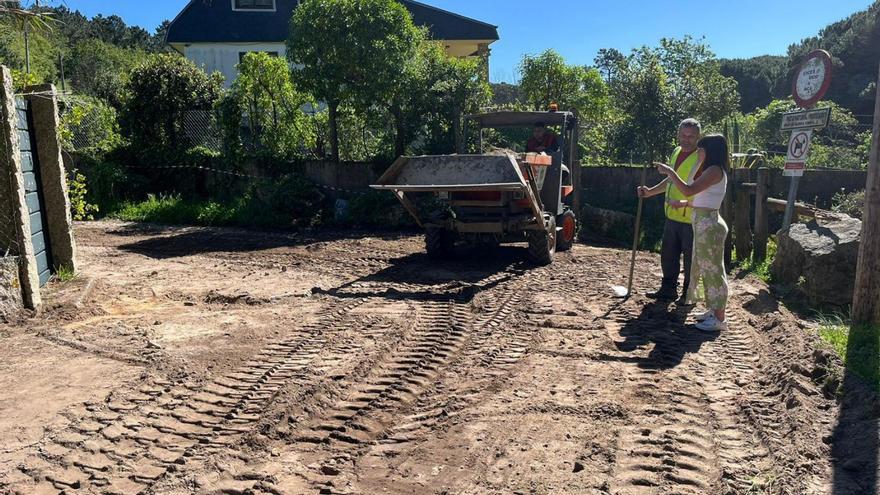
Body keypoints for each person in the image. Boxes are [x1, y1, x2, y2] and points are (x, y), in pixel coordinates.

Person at [655, 134, 730, 332]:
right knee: (705, 269)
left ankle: (719, 318)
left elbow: (688, 189)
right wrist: (684, 203)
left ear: (710, 151)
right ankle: (713, 311)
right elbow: (703, 197)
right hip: (703, 223)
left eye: (701, 149)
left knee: (713, 271)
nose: (698, 152)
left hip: (709, 226)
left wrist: (671, 172)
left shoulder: (714, 170)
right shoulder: (709, 169)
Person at [637, 118, 702, 302]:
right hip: (672, 215)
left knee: (690, 258)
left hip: (691, 216)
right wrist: (650, 192)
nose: (686, 139)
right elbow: (671, 180)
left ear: (698, 137)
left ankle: (688, 294)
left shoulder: (701, 157)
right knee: (668, 255)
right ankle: (668, 289)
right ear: (678, 134)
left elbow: (702, 187)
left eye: (691, 136)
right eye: (683, 135)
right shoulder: (676, 152)